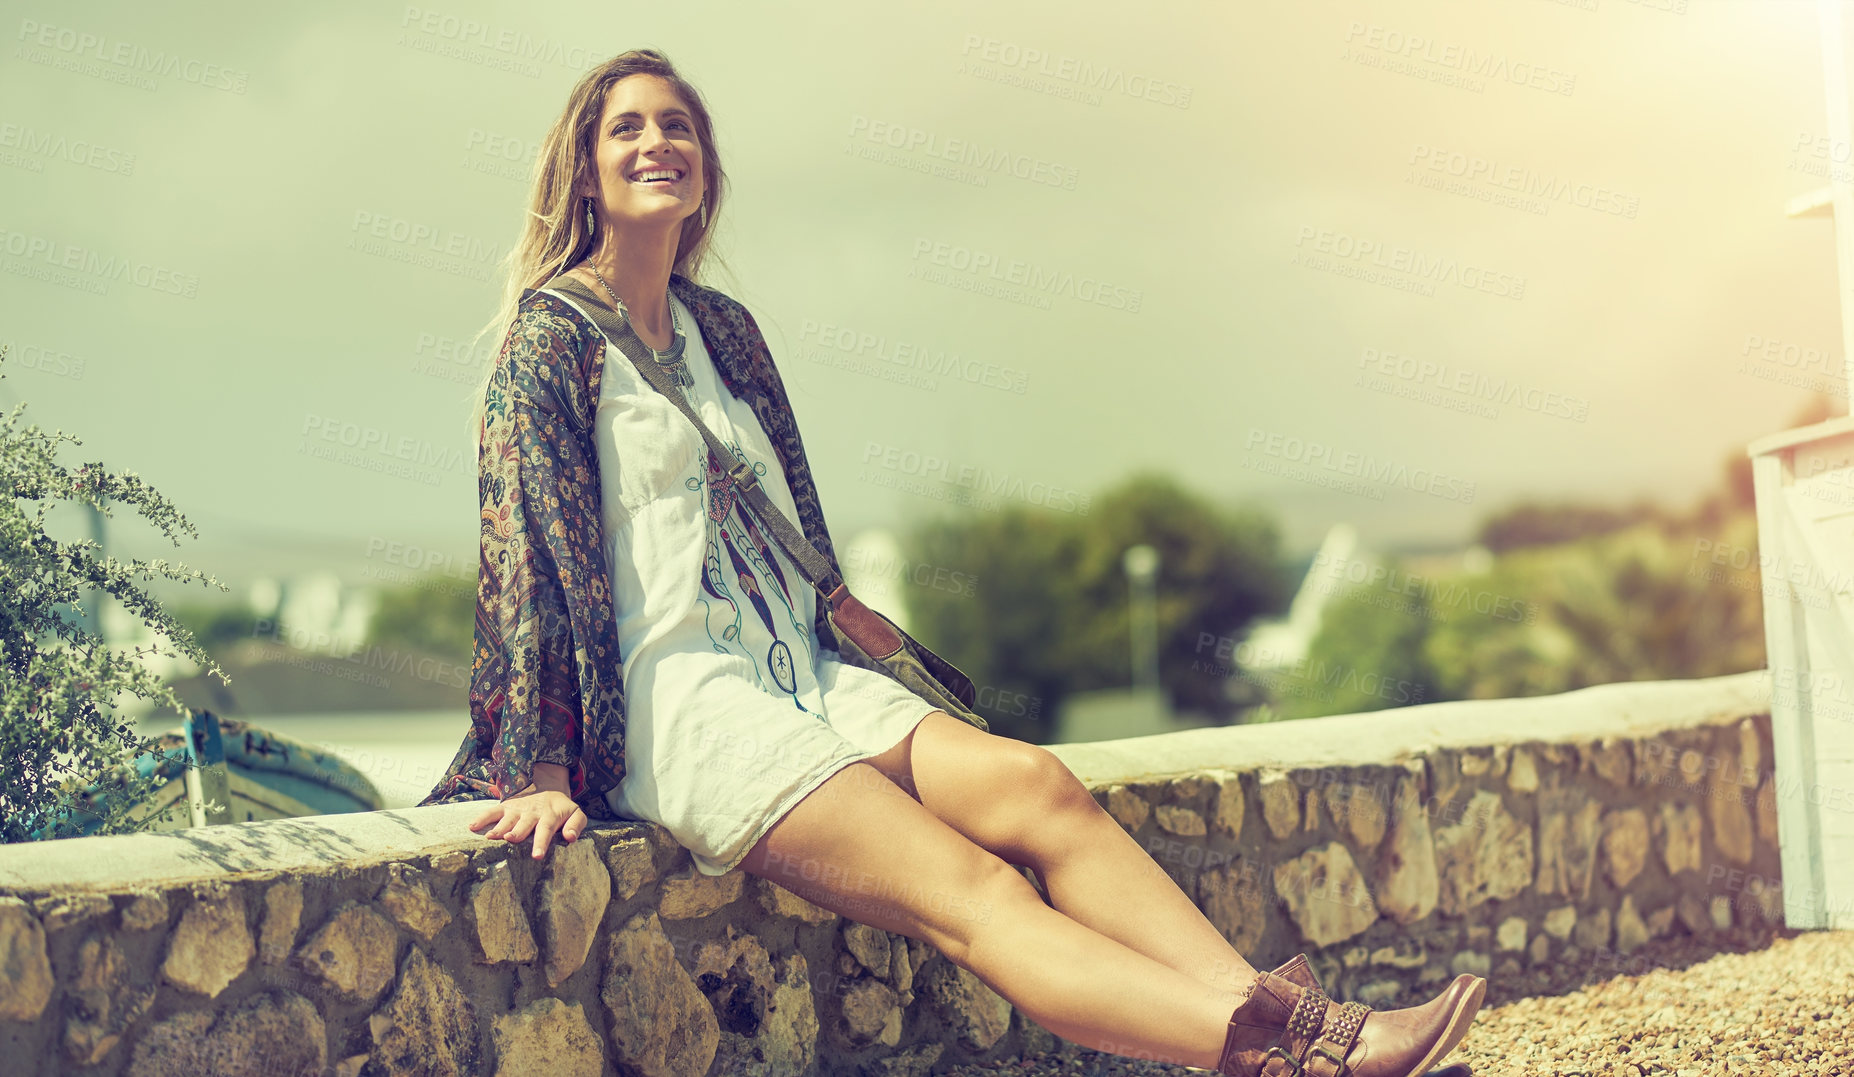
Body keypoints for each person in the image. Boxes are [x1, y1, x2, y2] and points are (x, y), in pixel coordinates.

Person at [417, 47, 1484, 1077]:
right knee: (976, 893)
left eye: (679, 126)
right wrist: (542, 766)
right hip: (687, 705)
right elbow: (521, 561)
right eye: (629, 128)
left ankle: (1295, 1017)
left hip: (804, 675)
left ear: (706, 171)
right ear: (586, 170)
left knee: (1039, 785)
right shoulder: (547, 342)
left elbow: (799, 526)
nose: (660, 143)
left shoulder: (723, 331)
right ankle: (1289, 1057)